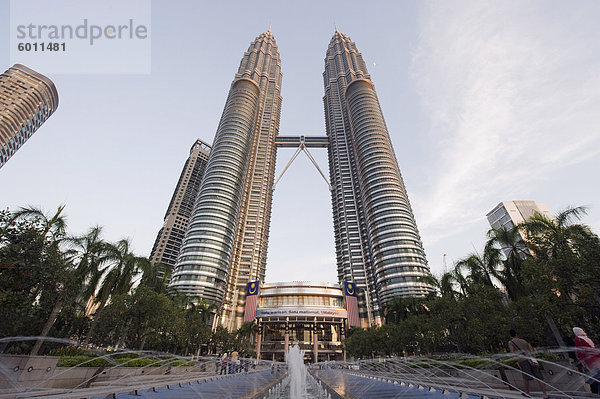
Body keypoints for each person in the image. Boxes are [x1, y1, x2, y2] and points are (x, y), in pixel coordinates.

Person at [508, 329, 548, 398]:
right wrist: (534, 359)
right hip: (532, 359)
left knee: (526, 377)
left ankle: (527, 393)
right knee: (539, 377)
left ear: (510, 335)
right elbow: (531, 350)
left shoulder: (511, 342)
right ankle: (545, 394)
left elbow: (512, 353)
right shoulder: (524, 340)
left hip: (523, 360)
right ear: (516, 334)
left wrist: (516, 362)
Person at [573, 327, 600, 394]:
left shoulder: (578, 339)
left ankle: (596, 393)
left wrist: (582, 362)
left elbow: (580, 351)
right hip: (597, 359)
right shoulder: (587, 338)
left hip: (590, 361)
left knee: (596, 378)